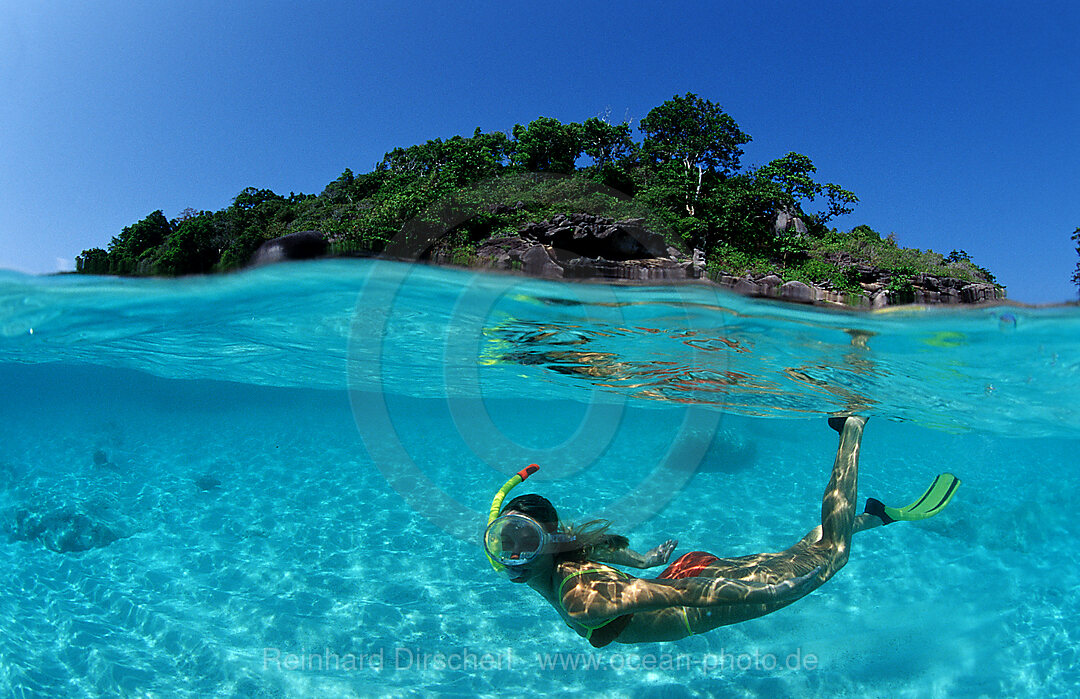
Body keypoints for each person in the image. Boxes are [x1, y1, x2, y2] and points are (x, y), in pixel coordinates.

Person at [482, 416, 960, 647]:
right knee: (800, 552)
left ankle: (851, 426)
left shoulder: (582, 599)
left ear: (548, 540)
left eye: (524, 542)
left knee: (832, 558)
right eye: (506, 543)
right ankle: (873, 516)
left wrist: (755, 592)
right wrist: (647, 561)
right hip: (684, 572)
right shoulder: (560, 552)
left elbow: (687, 598)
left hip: (698, 596)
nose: (512, 557)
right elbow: (601, 553)